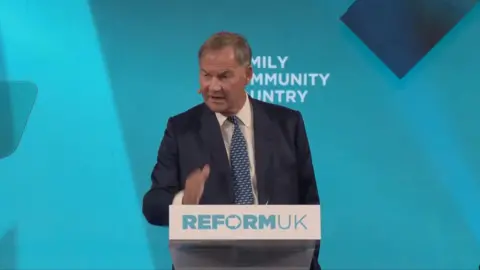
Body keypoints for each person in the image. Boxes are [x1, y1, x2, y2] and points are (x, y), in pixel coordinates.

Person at [142, 31, 321, 270]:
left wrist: (306, 262)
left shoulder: (287, 124)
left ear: (248, 74)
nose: (212, 86)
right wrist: (184, 202)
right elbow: (153, 205)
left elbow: (308, 203)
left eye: (224, 76)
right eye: (206, 75)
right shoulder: (181, 129)